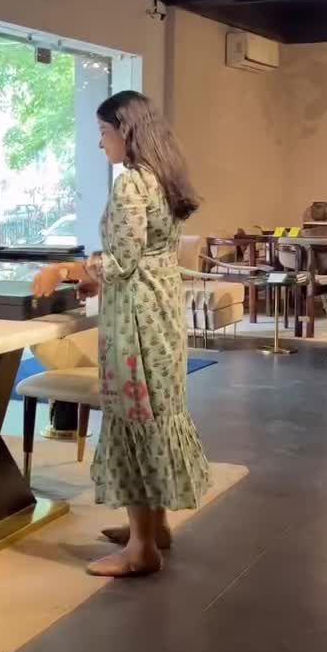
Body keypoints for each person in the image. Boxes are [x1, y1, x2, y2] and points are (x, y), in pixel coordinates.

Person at [33, 90, 211, 577]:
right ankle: (155, 527)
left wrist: (66, 270)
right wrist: (97, 273)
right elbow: (144, 254)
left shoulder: (132, 183)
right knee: (157, 413)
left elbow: (124, 260)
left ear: (126, 131)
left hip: (135, 318)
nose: (100, 143)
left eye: (104, 132)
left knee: (135, 416)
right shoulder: (162, 178)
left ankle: (140, 549)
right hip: (161, 311)